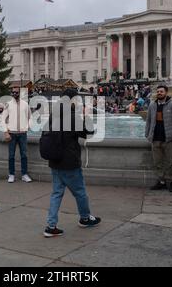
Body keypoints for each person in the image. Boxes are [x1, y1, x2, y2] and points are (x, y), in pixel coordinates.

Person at [42, 89, 101, 238]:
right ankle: (85, 218)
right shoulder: (72, 116)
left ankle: (51, 226)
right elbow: (89, 131)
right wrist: (86, 115)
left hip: (55, 161)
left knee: (56, 194)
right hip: (69, 163)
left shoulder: (53, 114)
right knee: (80, 192)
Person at [145, 85, 172, 193]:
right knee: (157, 162)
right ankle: (161, 182)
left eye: (161, 91)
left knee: (171, 162)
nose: (159, 93)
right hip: (155, 138)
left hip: (169, 138)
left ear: (166, 92)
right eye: (158, 91)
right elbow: (148, 121)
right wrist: (147, 134)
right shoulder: (152, 105)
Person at [0, 88, 33, 183]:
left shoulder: (25, 104)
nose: (14, 93)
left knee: (24, 155)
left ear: (20, 93)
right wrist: (6, 131)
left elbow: (30, 117)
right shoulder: (8, 104)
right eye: (13, 92)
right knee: (11, 155)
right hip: (12, 134)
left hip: (22, 134)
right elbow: (3, 119)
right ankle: (11, 174)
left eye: (16, 92)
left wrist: (27, 127)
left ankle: (24, 174)